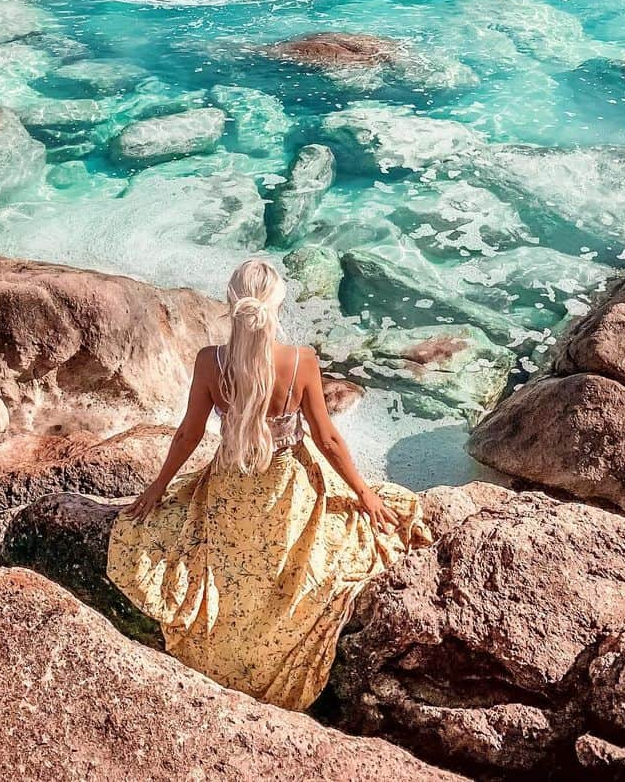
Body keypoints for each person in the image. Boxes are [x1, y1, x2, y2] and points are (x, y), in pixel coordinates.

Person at [106, 258, 430, 711]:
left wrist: (158, 487)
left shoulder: (209, 362)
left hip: (230, 486)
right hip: (286, 486)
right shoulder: (300, 362)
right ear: (277, 306)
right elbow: (328, 439)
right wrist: (364, 493)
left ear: (232, 303)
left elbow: (189, 434)